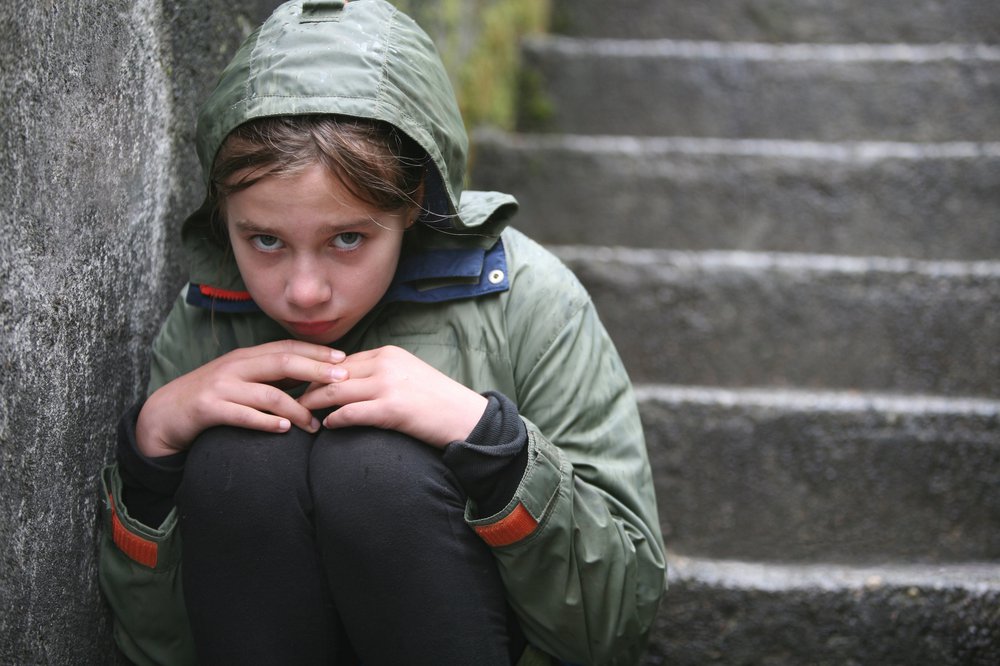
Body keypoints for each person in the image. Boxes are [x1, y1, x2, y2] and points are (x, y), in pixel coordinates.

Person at [98, 1, 666, 664]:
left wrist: (495, 448)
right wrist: (150, 457)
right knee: (237, 463)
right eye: (265, 240)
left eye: (347, 238)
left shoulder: (528, 298)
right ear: (224, 218)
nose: (304, 289)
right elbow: (155, 649)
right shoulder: (207, 315)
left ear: (414, 202)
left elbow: (616, 625)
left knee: (373, 469)